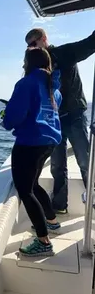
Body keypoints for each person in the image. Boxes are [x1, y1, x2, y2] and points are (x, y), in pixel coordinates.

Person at [25, 28, 95, 214]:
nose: (31, 48)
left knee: (85, 159)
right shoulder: (36, 66)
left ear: (44, 39)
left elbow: (89, 44)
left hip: (75, 115)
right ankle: (59, 205)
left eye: (34, 43)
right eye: (29, 46)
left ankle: (93, 199)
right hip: (54, 120)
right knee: (57, 164)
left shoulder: (64, 53)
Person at [1, 47, 62, 256]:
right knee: (33, 184)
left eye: (24, 61)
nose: (23, 65)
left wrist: (5, 120)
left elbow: (15, 116)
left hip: (29, 144)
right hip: (49, 143)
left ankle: (44, 242)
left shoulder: (26, 83)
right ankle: (52, 221)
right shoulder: (54, 88)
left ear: (29, 63)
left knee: (25, 190)